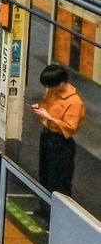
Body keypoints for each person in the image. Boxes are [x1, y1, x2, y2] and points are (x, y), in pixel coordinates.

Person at [33, 64, 86, 199]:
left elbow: (70, 127)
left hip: (61, 142)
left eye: (51, 85)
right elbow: (46, 106)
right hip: (47, 135)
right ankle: (45, 208)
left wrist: (49, 117)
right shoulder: (52, 91)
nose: (49, 89)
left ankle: (58, 214)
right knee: (44, 173)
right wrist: (40, 109)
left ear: (62, 83)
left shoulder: (74, 102)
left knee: (59, 179)